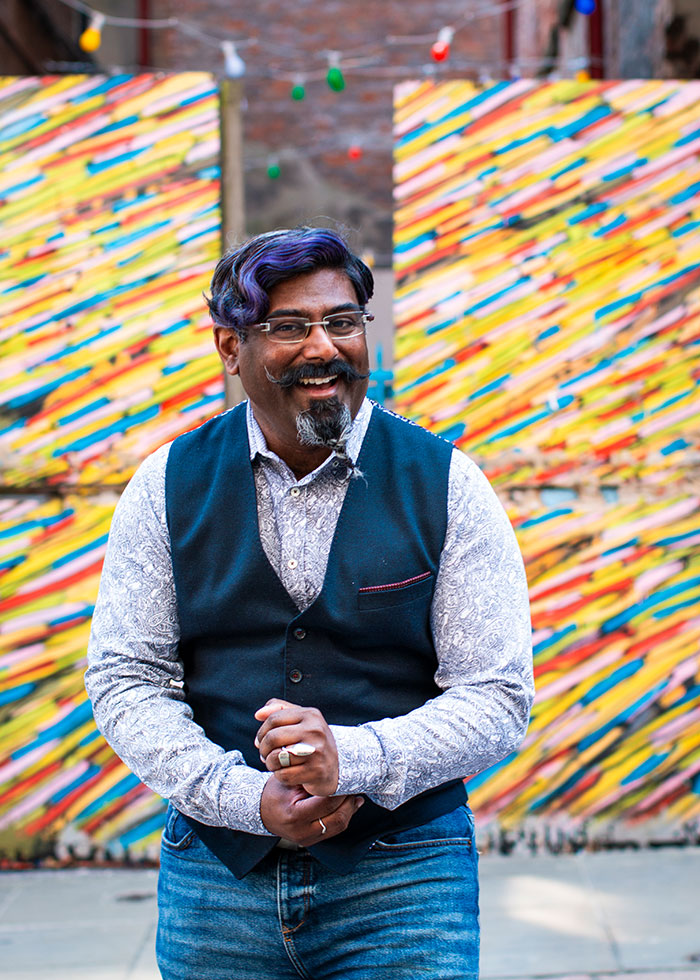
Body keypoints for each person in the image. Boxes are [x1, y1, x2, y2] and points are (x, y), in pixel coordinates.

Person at [86, 226, 533, 980]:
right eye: (289, 327)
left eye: (343, 321)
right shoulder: (165, 487)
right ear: (230, 348)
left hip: (405, 879)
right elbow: (125, 678)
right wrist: (245, 798)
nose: (323, 347)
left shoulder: (447, 483)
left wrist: (352, 760)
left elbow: (496, 695)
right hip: (216, 882)